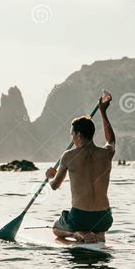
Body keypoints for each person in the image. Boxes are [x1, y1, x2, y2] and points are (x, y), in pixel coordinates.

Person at [45, 92, 115, 243]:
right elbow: (111, 140)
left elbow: (55, 186)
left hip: (80, 218)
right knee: (98, 228)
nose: (72, 137)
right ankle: (99, 235)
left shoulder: (68, 156)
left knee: (55, 228)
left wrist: (51, 176)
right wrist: (103, 112)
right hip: (104, 219)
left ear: (78, 135)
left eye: (72, 134)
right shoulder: (107, 154)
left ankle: (78, 234)